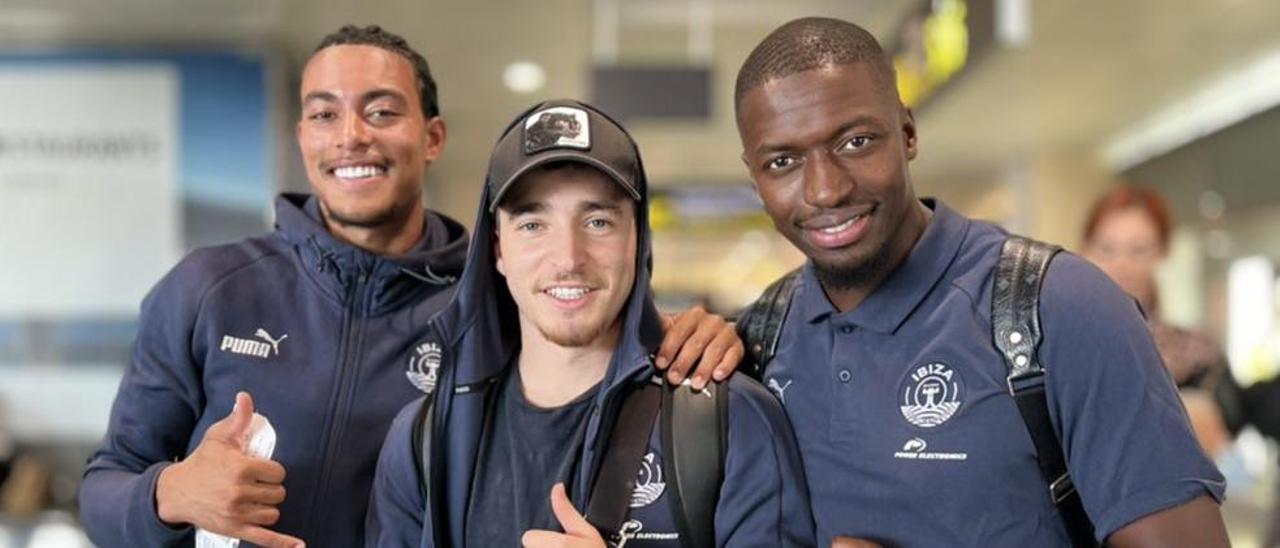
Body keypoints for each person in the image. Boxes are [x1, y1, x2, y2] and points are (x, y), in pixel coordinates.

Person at [78, 26, 742, 548]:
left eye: (382, 110)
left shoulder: (494, 299)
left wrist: (687, 336)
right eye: (323, 115)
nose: (352, 136)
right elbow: (106, 484)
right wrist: (169, 495)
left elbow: (595, 349)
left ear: (432, 138)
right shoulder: (209, 288)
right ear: (301, 137)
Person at [732, 17, 1228, 546]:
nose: (825, 190)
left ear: (907, 132)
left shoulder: (1062, 307)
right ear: (755, 177)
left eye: (855, 142)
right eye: (782, 161)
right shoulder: (763, 336)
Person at [367, 99, 814, 547]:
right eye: (532, 224)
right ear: (498, 250)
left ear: (637, 240)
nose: (568, 258)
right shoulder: (424, 441)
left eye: (598, 221)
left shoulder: (731, 421)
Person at [1080, 185, 1231, 453]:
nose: (1121, 264)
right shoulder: (1059, 345)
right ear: (1085, 249)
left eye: (1138, 249)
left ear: (1163, 251)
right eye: (1107, 248)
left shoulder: (1197, 355)